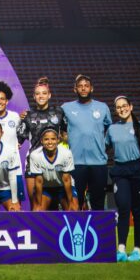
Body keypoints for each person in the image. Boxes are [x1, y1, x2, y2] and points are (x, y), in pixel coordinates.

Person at [107, 96, 140, 262]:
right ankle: (121, 249)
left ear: (131, 107)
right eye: (118, 107)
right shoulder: (112, 129)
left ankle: (137, 250)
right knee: (123, 208)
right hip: (120, 171)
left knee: (138, 211)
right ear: (116, 110)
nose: (122, 109)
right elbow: (102, 146)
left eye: (124, 106)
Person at [60, 74, 111, 210]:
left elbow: (108, 129)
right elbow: (61, 130)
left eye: (86, 86)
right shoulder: (66, 108)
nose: (83, 89)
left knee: (98, 203)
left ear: (91, 89)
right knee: (76, 204)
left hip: (98, 163)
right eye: (80, 86)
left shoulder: (103, 107)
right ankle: (77, 231)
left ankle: (97, 231)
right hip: (75, 163)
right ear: (75, 89)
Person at [27, 129, 79, 211]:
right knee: (38, 211)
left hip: (63, 187)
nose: (50, 142)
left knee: (74, 209)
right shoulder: (35, 155)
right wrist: (39, 204)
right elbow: (38, 181)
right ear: (41, 141)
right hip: (45, 188)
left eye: (53, 139)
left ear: (58, 140)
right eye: (46, 139)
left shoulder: (66, 153)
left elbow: (66, 179)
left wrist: (71, 202)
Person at [18, 77, 67, 151]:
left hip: (55, 159)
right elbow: (18, 141)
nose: (41, 96)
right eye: (37, 94)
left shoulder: (58, 112)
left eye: (44, 93)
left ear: (49, 95)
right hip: (34, 159)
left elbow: (66, 135)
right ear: (34, 96)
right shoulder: (27, 115)